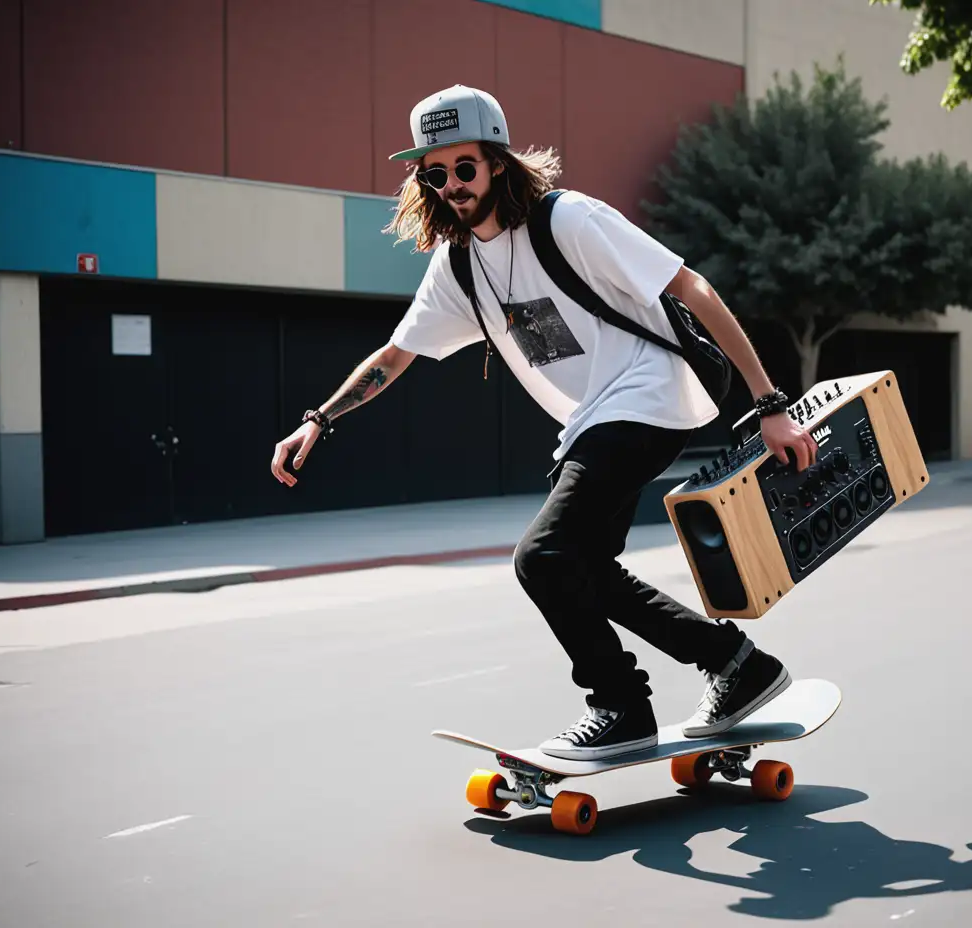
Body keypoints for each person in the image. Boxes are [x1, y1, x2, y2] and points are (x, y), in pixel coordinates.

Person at [270, 85, 819, 761]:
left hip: (652, 394)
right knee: (583, 567)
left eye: (463, 167)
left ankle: (619, 706)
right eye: (433, 173)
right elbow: (396, 354)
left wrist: (769, 407)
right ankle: (740, 667)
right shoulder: (460, 267)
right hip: (598, 420)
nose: (450, 186)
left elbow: (691, 287)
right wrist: (318, 421)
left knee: (542, 556)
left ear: (497, 161)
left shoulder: (569, 221)